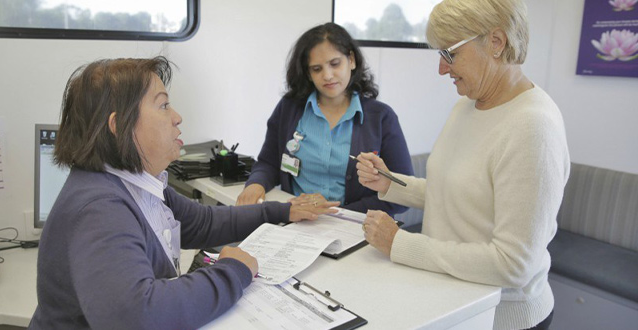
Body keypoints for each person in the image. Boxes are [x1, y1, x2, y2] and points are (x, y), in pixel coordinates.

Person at [29, 57, 339, 330]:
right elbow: (136, 316)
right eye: (163, 105)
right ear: (118, 125)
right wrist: (234, 271)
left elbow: (202, 223)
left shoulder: (135, 183)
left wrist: (281, 211)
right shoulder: (100, 207)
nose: (177, 116)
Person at [355, 1, 569, 329]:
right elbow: (458, 193)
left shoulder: (532, 127)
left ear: (496, 42)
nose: (442, 69)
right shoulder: (467, 106)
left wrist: (400, 243)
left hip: (501, 318)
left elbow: (513, 264)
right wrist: (389, 183)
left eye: (450, 54)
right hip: (452, 303)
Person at [236, 23, 413, 217]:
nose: (327, 75)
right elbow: (268, 162)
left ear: (351, 60)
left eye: (335, 64)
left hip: (356, 229)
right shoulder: (290, 108)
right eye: (317, 69)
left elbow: (402, 196)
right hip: (296, 223)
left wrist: (334, 213)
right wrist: (255, 183)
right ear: (308, 74)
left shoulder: (382, 118)